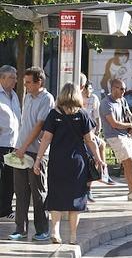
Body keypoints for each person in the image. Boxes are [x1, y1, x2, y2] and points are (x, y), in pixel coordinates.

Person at [33, 82, 106, 244]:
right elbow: (90, 140)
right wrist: (98, 158)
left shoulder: (54, 114)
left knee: (56, 196)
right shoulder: (83, 114)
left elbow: (46, 138)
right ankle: (73, 236)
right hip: (77, 163)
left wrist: (38, 160)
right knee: (76, 199)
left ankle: (55, 231)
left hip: (57, 161)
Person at [10, 67, 54, 241]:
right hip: (20, 149)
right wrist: (18, 145)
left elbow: (38, 126)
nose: (26, 86)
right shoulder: (27, 96)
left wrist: (24, 147)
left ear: (39, 82)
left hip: (36, 152)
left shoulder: (47, 99)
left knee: (38, 192)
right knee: (20, 192)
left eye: (29, 82)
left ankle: (42, 230)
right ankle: (20, 229)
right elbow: (25, 123)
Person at [99, 78, 132, 201]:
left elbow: (128, 115)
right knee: (130, 162)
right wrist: (130, 126)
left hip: (125, 136)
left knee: (127, 165)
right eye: (121, 89)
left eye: (124, 89)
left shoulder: (122, 100)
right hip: (114, 136)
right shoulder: (106, 103)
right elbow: (113, 123)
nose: (124, 91)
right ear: (113, 88)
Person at [80, 74, 115, 202]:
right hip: (82, 134)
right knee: (90, 159)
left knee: (101, 145)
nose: (89, 91)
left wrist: (98, 131)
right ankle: (99, 175)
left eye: (90, 89)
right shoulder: (78, 99)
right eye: (87, 89)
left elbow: (97, 117)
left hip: (91, 132)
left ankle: (103, 172)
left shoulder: (94, 99)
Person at [0, 65, 20, 221]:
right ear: (2, 78)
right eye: (12, 77)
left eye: (15, 77)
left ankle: (6, 210)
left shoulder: (14, 95)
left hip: (13, 144)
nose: (15, 80)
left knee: (9, 179)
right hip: (1, 144)